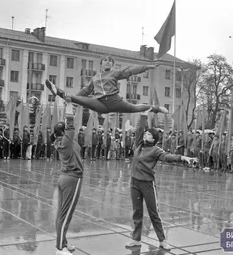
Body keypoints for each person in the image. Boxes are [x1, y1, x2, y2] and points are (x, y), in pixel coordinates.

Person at [125, 108, 198, 251]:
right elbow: (140, 128)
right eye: (145, 133)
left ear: (154, 139)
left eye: (149, 134)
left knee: (154, 213)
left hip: (147, 184)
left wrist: (183, 158)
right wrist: (144, 114)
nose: (145, 134)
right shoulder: (138, 145)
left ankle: (162, 240)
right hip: (134, 182)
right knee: (137, 211)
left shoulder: (156, 150)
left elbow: (168, 157)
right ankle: (136, 239)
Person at [45, 55, 168, 114]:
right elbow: (85, 92)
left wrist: (147, 67)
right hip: (101, 104)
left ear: (112, 65)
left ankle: (157, 108)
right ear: (101, 64)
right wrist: (73, 101)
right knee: (78, 98)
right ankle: (58, 91)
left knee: (137, 108)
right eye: (106, 61)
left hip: (116, 101)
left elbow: (130, 71)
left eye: (110, 61)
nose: (108, 62)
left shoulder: (115, 73)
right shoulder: (95, 78)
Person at [51, 99, 83, 255]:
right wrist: (69, 109)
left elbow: (69, 128)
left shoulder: (60, 142)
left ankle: (63, 242)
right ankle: (59, 248)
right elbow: (71, 125)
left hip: (64, 178)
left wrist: (67, 108)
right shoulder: (67, 142)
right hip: (73, 178)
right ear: (64, 133)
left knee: (61, 213)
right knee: (66, 214)